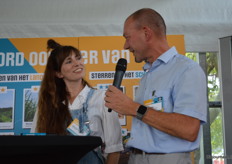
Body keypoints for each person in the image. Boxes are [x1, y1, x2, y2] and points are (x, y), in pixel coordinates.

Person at [104, 8, 207, 164]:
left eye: (127, 37)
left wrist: (133, 108)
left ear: (146, 33)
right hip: (136, 158)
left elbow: (189, 130)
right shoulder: (147, 76)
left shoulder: (186, 69)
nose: (125, 46)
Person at [31, 39, 123, 164]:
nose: (77, 64)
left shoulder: (102, 98)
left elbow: (114, 150)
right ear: (58, 73)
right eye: (69, 61)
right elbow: (36, 145)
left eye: (78, 58)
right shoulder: (47, 105)